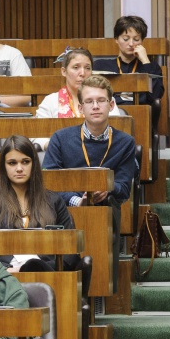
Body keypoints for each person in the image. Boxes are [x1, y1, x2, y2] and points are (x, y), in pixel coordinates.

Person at [43, 75, 136, 289]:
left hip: (105, 209)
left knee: (103, 213)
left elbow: (124, 189)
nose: (95, 106)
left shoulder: (125, 142)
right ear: (80, 107)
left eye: (101, 100)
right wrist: (77, 201)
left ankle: (99, 289)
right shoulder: (60, 138)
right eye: (89, 101)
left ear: (111, 105)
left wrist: (107, 188)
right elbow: (49, 182)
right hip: (64, 208)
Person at [0, 135, 78, 272]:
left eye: (25, 162)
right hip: (3, 274)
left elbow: (71, 250)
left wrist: (48, 268)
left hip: (45, 272)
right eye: (12, 163)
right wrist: (3, 270)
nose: (19, 168)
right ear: (3, 166)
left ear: (34, 164)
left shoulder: (54, 200)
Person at [93, 15, 164, 107]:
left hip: (140, 112)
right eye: (126, 39)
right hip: (109, 111)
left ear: (142, 41)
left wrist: (146, 61)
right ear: (116, 39)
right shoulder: (101, 66)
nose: (131, 43)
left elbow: (155, 96)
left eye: (136, 39)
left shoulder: (152, 67)